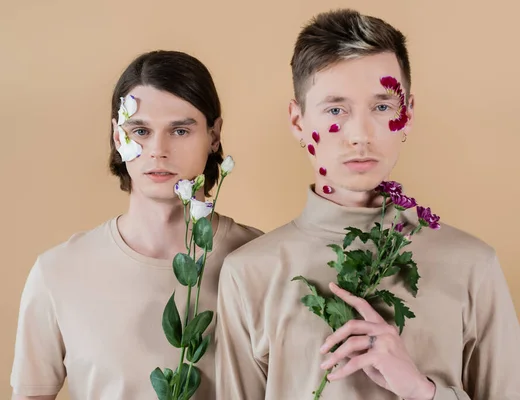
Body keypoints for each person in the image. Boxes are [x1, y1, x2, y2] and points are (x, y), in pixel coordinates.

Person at [214, 9, 520, 400]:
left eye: (381, 107)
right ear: (297, 121)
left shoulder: (473, 266)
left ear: (406, 113)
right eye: (336, 110)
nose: (360, 135)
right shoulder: (250, 274)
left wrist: (421, 390)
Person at [10, 50, 263, 400]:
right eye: (140, 130)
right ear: (118, 137)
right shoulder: (58, 272)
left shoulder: (263, 263)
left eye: (179, 130)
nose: (158, 150)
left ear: (214, 134)